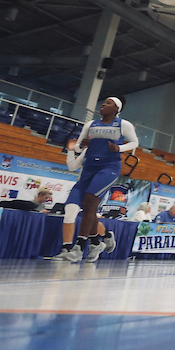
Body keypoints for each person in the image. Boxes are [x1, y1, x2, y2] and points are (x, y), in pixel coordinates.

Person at [59, 97, 138, 263]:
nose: (103, 104)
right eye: (104, 102)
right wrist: (81, 145)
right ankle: (98, 241)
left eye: (109, 103)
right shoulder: (90, 124)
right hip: (89, 167)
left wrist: (119, 148)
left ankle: (79, 247)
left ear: (117, 109)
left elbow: (134, 142)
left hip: (109, 167)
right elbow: (78, 147)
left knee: (90, 202)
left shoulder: (123, 124)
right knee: (88, 207)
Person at [47, 138, 115, 263]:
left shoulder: (110, 153)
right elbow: (72, 167)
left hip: (96, 186)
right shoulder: (87, 150)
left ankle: (104, 236)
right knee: (69, 213)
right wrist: (70, 150)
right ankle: (66, 249)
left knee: (89, 216)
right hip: (80, 185)